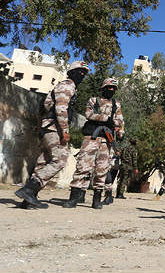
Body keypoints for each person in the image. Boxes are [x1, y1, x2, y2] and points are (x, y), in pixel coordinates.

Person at [15, 61, 90, 209]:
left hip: (47, 128)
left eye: (84, 73)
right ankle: (29, 189)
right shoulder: (68, 85)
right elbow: (61, 108)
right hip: (54, 128)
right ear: (71, 72)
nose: (82, 75)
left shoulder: (63, 85)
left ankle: (28, 200)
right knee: (60, 160)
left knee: (43, 162)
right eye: (79, 71)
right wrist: (65, 131)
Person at [63, 77, 125, 210]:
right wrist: (105, 118)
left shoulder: (116, 104)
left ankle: (97, 199)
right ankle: (73, 198)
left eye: (113, 88)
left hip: (106, 140)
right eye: (109, 87)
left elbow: (120, 120)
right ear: (104, 88)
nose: (111, 90)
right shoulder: (94, 100)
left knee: (102, 170)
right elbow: (88, 114)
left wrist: (113, 124)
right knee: (83, 167)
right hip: (91, 137)